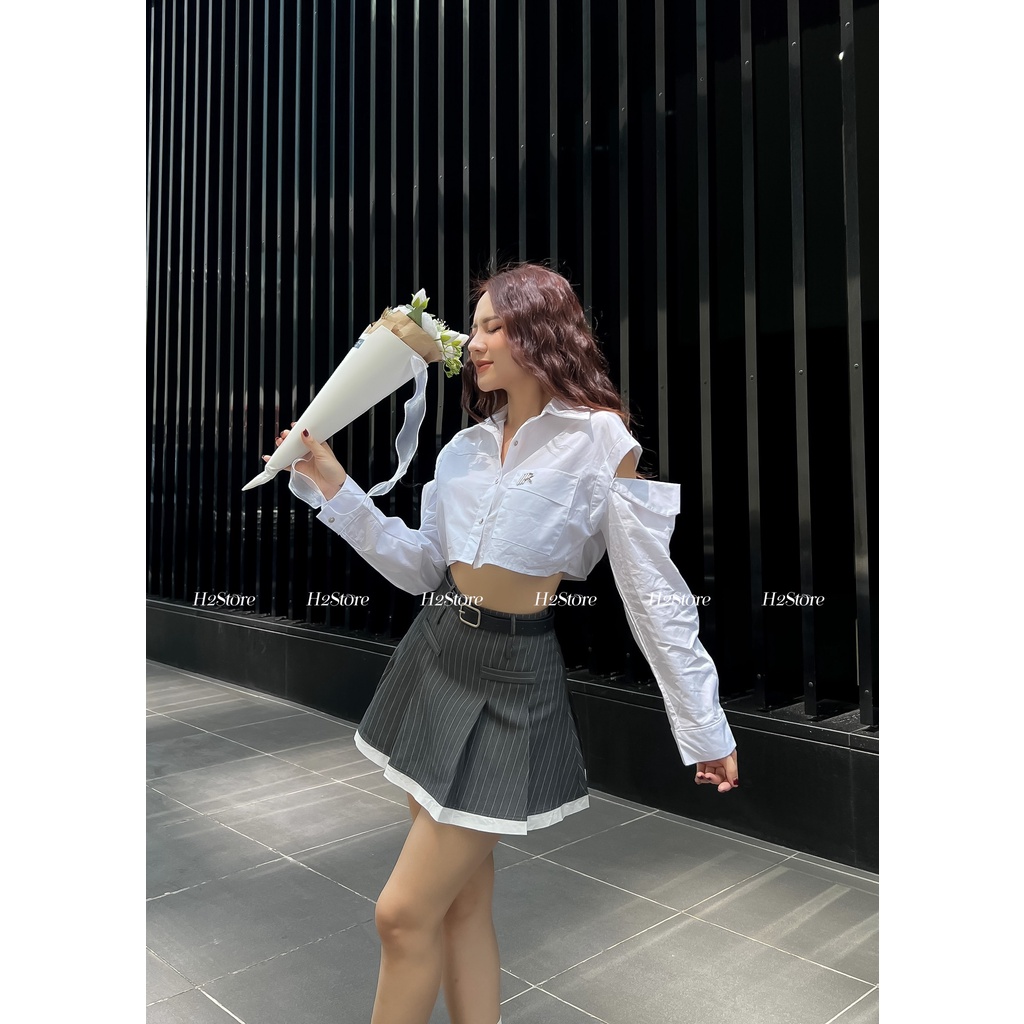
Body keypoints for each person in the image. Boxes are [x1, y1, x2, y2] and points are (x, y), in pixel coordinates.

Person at [264, 263, 739, 1024]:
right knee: (459, 904)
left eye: (493, 326)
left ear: (541, 332)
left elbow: (653, 592)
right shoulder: (462, 450)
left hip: (513, 678)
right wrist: (332, 481)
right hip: (435, 654)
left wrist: (704, 726)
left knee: (401, 914)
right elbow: (422, 569)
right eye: (474, 325)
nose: (474, 342)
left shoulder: (599, 439)